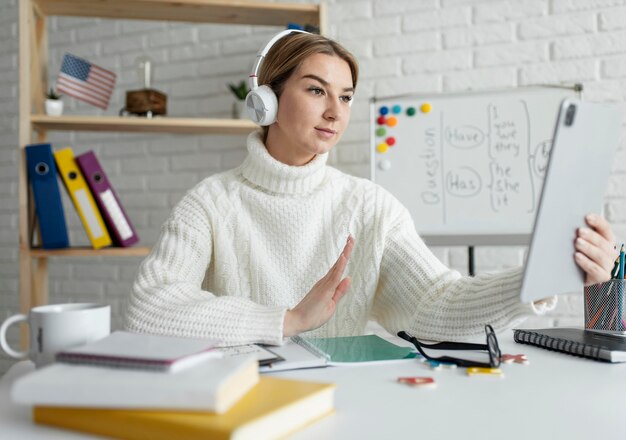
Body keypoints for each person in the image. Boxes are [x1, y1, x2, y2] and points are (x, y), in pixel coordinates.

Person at [125, 31, 616, 346]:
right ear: (266, 100)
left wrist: (534, 280)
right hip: (239, 408)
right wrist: (288, 319)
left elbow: (435, 307)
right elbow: (149, 309)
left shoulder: (368, 205)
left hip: (342, 406)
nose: (336, 112)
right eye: (316, 90)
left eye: (345, 97)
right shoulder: (211, 202)